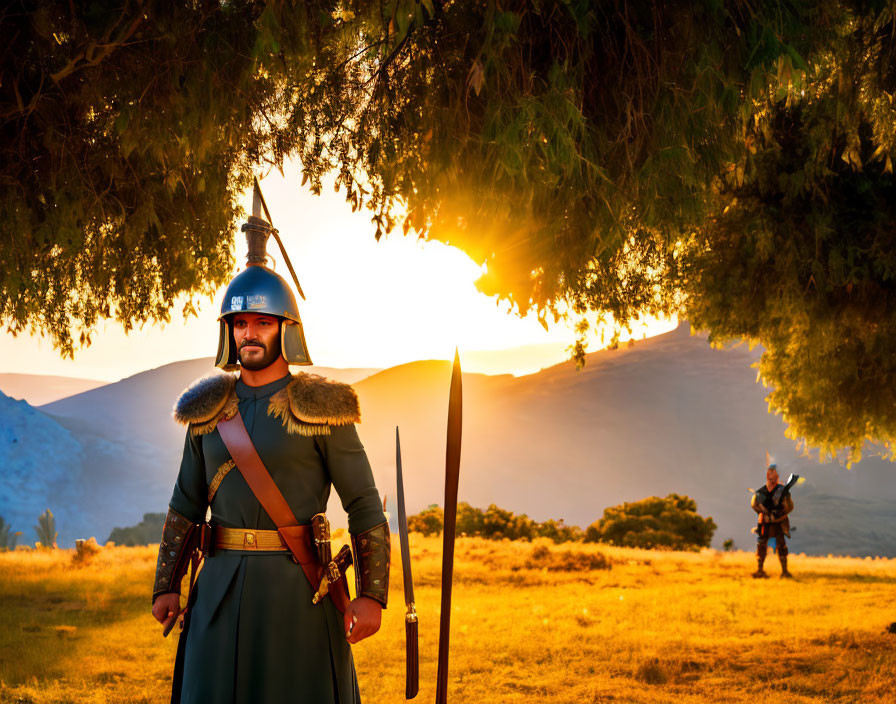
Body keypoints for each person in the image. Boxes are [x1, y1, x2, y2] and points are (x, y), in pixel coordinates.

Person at [150, 203, 390, 704]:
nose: (249, 333)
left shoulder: (323, 406)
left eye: (261, 322)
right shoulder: (206, 407)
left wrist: (371, 595)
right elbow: (185, 504)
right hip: (217, 589)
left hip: (298, 592)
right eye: (240, 323)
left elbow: (364, 503)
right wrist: (166, 586)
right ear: (228, 330)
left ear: (285, 327)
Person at [750, 464, 794, 579]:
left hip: (779, 523)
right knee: (761, 546)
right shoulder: (761, 492)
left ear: (777, 475)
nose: (771, 476)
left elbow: (789, 506)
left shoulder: (783, 492)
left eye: (773, 473)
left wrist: (777, 515)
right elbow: (754, 504)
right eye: (769, 473)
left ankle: (784, 572)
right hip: (764, 523)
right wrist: (764, 514)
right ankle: (760, 571)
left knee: (782, 546)